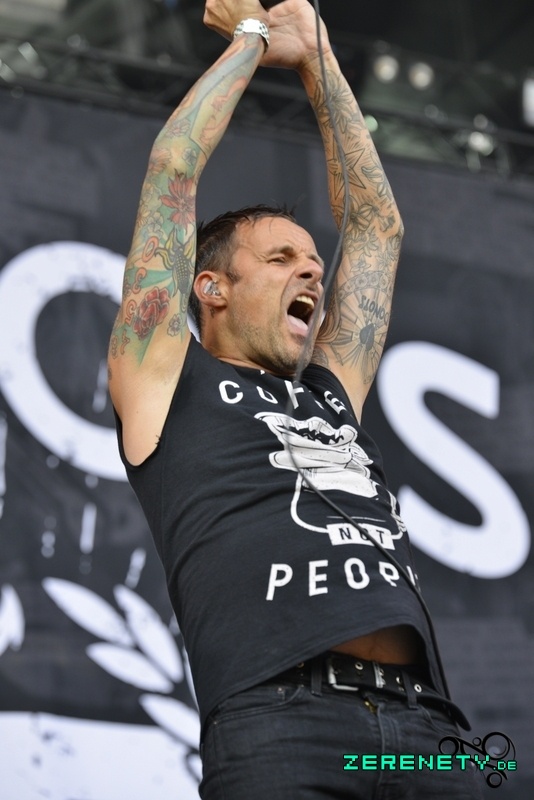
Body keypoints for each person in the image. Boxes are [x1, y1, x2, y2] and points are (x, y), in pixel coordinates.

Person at [108, 1, 483, 797]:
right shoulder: (166, 380)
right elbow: (174, 169)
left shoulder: (329, 390)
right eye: (281, 259)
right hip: (281, 725)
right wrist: (250, 39)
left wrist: (318, 58)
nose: (312, 270)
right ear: (210, 287)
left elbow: (377, 229)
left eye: (312, 261)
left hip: (430, 731)